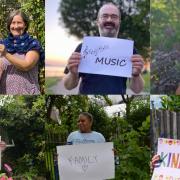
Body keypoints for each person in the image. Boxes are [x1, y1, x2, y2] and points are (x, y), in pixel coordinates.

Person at [63, 2, 144, 94]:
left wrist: (136, 75)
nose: (109, 19)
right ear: (97, 21)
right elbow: (68, 86)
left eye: (114, 17)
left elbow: (137, 90)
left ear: (119, 22)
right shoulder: (83, 47)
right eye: (104, 16)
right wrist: (73, 74)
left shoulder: (129, 49)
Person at [0, 10, 44, 94]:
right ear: (9, 25)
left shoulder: (33, 44)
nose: (16, 26)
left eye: (19, 23)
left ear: (25, 25)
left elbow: (26, 65)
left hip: (28, 92)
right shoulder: (3, 44)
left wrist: (6, 54)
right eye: (13, 23)